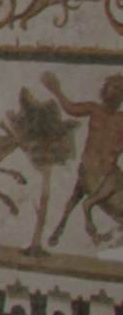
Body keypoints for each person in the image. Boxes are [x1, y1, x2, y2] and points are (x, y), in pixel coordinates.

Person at [45, 72, 123, 249]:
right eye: (114, 87)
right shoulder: (94, 109)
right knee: (75, 198)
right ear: (105, 89)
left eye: (120, 89)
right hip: (88, 168)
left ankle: (92, 232)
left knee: (82, 200)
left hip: (107, 171)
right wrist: (56, 90)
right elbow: (71, 108)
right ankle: (61, 227)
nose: (116, 91)